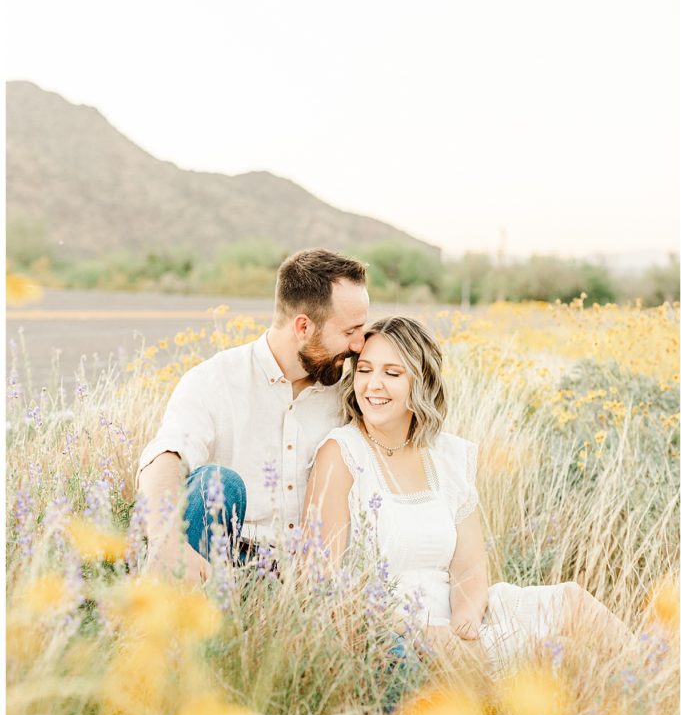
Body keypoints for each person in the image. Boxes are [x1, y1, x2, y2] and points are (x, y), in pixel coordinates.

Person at [303, 315, 636, 672]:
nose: (373, 385)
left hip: (459, 618)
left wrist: (465, 624)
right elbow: (321, 583)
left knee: (573, 602)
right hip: (398, 632)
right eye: (365, 370)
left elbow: (470, 568)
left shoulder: (448, 456)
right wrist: (427, 635)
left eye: (392, 373)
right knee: (562, 654)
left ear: (421, 382)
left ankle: (666, 686)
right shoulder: (341, 454)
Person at [137, 248, 369, 585]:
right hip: (220, 559)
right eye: (350, 332)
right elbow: (164, 458)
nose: (359, 344)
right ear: (303, 326)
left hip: (307, 575)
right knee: (216, 483)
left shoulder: (350, 391)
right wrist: (167, 540)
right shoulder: (215, 380)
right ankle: (167, 615)